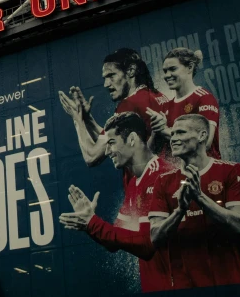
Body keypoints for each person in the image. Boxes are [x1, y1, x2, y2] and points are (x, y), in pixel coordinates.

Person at [59, 112, 172, 292]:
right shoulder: (135, 182)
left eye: (111, 143)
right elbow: (115, 240)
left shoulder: (161, 176)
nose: (107, 151)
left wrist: (92, 224)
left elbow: (146, 245)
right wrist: (90, 221)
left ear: (132, 139)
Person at [148, 115, 240, 288]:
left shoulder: (232, 170)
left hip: (231, 280)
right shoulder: (163, 181)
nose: (173, 139)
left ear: (202, 135)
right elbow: (155, 236)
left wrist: (200, 197)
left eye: (180, 132)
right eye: (172, 134)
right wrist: (180, 210)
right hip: (186, 284)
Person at [59, 48, 169, 169]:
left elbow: (91, 156)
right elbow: (112, 140)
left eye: (111, 75)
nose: (106, 84)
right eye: (105, 78)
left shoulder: (129, 104)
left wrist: (77, 119)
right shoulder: (157, 96)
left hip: (148, 181)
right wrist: (87, 118)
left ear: (131, 71)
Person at [147, 48, 221, 159]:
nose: (167, 75)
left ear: (190, 68)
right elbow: (151, 152)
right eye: (165, 71)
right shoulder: (165, 106)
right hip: (177, 174)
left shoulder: (204, 98)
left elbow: (206, 142)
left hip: (204, 172)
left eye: (172, 69)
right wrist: (155, 131)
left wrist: (165, 130)